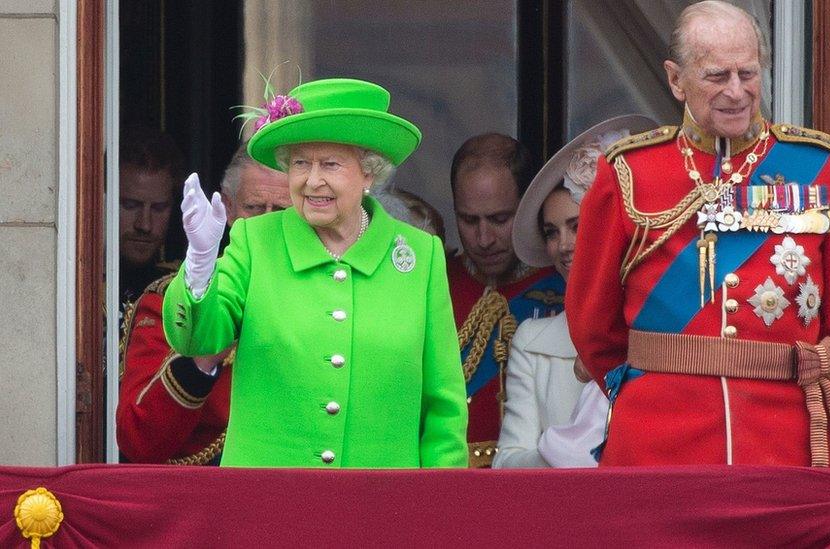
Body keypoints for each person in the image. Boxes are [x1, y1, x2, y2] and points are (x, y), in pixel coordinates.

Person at [566, 0, 830, 468]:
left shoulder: (822, 167)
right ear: (675, 80)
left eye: (748, 74)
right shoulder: (628, 171)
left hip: (781, 439)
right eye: (716, 77)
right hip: (657, 438)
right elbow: (594, 325)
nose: (737, 92)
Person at [161, 78, 468, 468]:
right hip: (269, 503)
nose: (312, 180)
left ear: (369, 173)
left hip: (383, 507)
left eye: (331, 164)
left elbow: (443, 404)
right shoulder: (256, 241)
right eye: (300, 163)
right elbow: (200, 338)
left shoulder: (419, 256)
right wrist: (200, 266)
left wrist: (439, 507)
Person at [493, 116, 654, 469]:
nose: (564, 245)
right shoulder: (534, 340)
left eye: (576, 226)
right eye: (552, 232)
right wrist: (565, 456)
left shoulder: (667, 331)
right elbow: (507, 464)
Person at [116, 145, 290, 464]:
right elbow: (138, 440)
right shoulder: (173, 298)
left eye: (280, 211)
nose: (265, 226)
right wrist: (203, 356)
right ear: (227, 207)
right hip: (205, 498)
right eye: (253, 208)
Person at [447, 133, 566, 467]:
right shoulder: (434, 282)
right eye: (469, 220)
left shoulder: (567, 289)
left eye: (500, 219)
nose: (484, 239)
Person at [119, 127, 184, 308]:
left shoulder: (184, 287)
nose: (144, 224)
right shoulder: (77, 282)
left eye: (158, 208)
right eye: (131, 206)